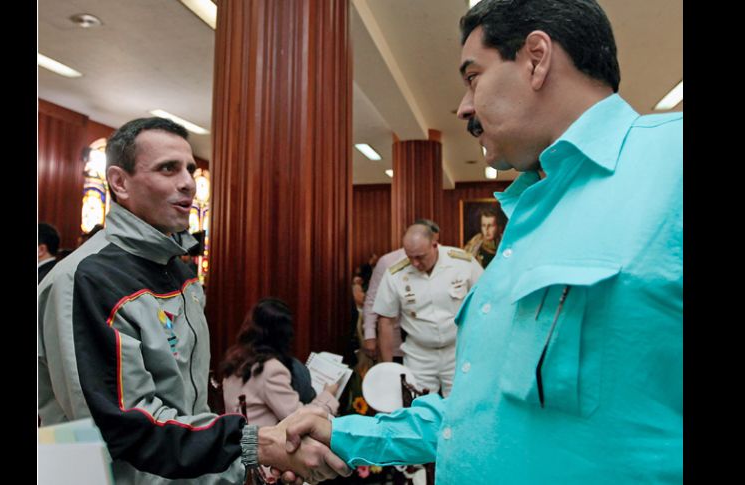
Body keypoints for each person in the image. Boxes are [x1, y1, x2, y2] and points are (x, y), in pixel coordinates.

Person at [281, 0, 683, 483]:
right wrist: (345, 434)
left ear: (536, 58)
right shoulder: (530, 215)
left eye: (473, 77)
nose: (464, 107)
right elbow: (480, 413)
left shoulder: (670, 162)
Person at [37, 117, 349, 484]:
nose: (187, 182)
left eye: (189, 168)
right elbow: (126, 428)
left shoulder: (181, 273)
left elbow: (187, 407)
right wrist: (256, 445)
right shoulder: (88, 279)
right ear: (120, 182)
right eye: (168, 169)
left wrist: (244, 465)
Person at [374, 222, 483, 396]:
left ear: (434, 244)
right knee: (419, 408)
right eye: (410, 257)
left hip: (458, 350)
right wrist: (388, 368)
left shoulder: (462, 262)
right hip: (419, 354)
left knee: (461, 404)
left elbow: (485, 304)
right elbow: (385, 321)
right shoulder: (395, 274)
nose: (415, 263)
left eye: (420, 257)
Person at [221, 297, 340, 426]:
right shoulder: (270, 369)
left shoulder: (237, 359)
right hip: (256, 443)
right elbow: (298, 418)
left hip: (238, 440)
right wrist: (327, 396)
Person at [360, 219, 441, 362]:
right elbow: (372, 299)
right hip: (395, 344)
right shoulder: (389, 262)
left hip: (433, 347)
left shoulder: (446, 263)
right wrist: (370, 335)